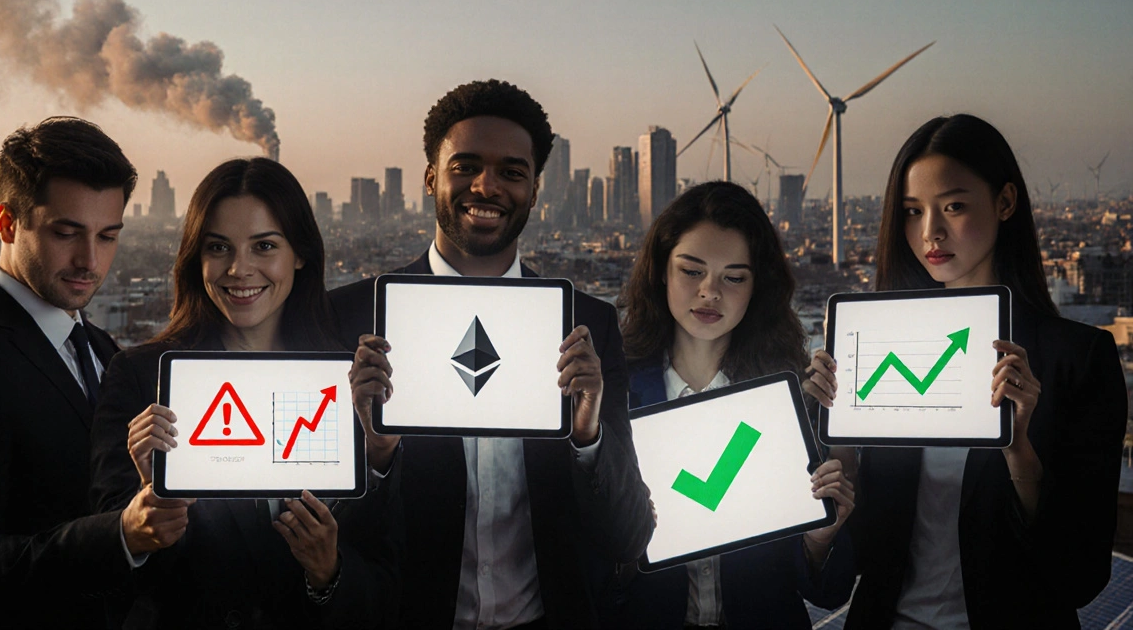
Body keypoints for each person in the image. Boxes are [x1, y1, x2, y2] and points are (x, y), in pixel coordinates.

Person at [332, 78, 655, 629]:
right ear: (431, 176)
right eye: (465, 166)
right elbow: (329, 539)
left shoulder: (588, 328)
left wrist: (586, 438)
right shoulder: (350, 322)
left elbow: (626, 537)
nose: (486, 186)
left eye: (511, 171)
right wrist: (376, 455)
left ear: (535, 189)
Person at [814, 114, 1126, 629]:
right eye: (913, 212)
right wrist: (839, 439)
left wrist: (1018, 448)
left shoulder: (1078, 360)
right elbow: (846, 569)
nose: (930, 232)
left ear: (1005, 202)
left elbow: (1079, 577)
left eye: (953, 206)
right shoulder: (878, 345)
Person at [90, 157, 403, 629]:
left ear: (299, 252)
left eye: (264, 246)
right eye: (219, 247)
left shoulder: (351, 386)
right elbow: (108, 570)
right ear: (197, 259)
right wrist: (146, 509)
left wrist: (328, 570)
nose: (239, 269)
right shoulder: (140, 378)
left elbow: (392, 563)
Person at [0, 117, 162, 628]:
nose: (90, 260)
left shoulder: (102, 348)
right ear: (7, 223)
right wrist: (120, 536)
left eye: (108, 236)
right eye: (67, 232)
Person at [604, 181, 856, 629]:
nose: (710, 292)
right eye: (691, 271)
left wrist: (819, 537)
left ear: (758, 286)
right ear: (661, 270)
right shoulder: (611, 396)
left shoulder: (797, 401)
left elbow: (826, 591)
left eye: (733, 277)